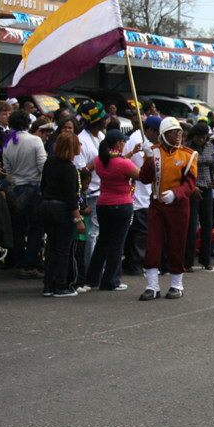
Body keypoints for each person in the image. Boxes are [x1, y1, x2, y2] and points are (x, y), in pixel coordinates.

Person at [138, 117, 198, 301]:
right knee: (153, 244)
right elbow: (144, 178)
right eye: (173, 132)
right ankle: (152, 286)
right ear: (163, 135)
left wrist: (176, 193)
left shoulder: (188, 155)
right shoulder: (153, 152)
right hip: (157, 204)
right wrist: (148, 160)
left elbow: (190, 184)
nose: (178, 135)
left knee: (176, 244)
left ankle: (176, 284)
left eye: (179, 132)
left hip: (178, 205)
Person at [85, 129, 139, 291]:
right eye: (123, 142)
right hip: (121, 204)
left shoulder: (100, 159)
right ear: (118, 144)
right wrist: (150, 160)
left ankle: (93, 277)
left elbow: (115, 162)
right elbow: (142, 176)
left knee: (103, 241)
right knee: (117, 244)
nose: (124, 144)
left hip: (103, 203)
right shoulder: (122, 163)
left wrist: (131, 153)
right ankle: (111, 280)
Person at [2, 110, 47, 280]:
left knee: (18, 229)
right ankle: (30, 263)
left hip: (15, 188)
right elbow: (42, 166)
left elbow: (7, 169)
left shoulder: (8, 142)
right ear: (28, 124)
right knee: (36, 228)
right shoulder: (35, 140)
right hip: (33, 187)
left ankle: (19, 262)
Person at [41, 133, 86, 297]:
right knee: (63, 249)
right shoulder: (69, 168)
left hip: (47, 205)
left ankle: (48, 284)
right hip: (63, 209)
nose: (80, 146)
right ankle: (61, 285)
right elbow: (71, 197)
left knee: (52, 247)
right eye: (78, 144)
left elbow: (43, 185)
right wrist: (78, 219)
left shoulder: (50, 162)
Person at [122, 116, 160, 278]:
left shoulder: (146, 141)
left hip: (145, 193)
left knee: (141, 232)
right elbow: (140, 168)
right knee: (140, 232)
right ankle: (135, 264)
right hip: (138, 194)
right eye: (157, 133)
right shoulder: (138, 140)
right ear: (150, 130)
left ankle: (134, 262)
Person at [73, 102, 107, 270]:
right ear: (97, 121)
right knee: (92, 235)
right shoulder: (81, 141)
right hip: (91, 194)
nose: (107, 120)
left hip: (103, 192)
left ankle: (100, 270)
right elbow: (79, 170)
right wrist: (97, 162)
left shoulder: (101, 136)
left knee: (101, 235)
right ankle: (90, 271)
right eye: (104, 118)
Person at [184, 122, 214, 272]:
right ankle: (188, 262)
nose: (201, 140)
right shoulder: (187, 148)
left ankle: (206, 260)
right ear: (193, 136)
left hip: (207, 188)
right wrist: (192, 187)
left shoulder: (209, 147)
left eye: (203, 137)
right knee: (191, 226)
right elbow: (184, 170)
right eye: (198, 137)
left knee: (207, 224)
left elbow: (212, 166)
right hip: (193, 189)